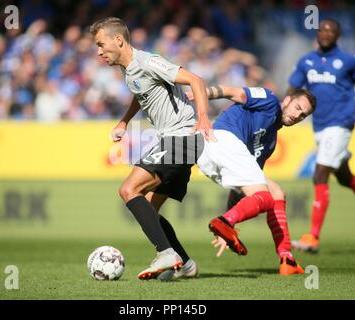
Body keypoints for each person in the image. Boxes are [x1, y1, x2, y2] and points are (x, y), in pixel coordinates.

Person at [90, 17, 215, 280]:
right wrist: (124, 121)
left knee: (128, 189)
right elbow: (141, 93)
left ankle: (166, 253)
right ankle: (186, 264)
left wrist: (203, 118)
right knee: (149, 207)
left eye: (101, 45)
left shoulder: (147, 61)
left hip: (181, 138)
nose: (99, 52)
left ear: (119, 40)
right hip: (177, 141)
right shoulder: (129, 70)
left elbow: (196, 80)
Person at [188, 85, 316, 275]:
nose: (298, 116)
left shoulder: (270, 142)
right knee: (269, 195)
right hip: (221, 138)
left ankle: (286, 259)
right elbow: (235, 93)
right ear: (287, 100)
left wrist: (227, 227)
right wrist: (203, 93)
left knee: (272, 194)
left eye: (303, 115)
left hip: (210, 157)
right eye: (297, 108)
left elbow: (241, 187)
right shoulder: (270, 100)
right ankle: (283, 255)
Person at [287, 19, 355, 253]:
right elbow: (293, 89)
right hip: (319, 127)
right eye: (322, 30)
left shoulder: (349, 60)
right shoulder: (306, 61)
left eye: (330, 31)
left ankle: (313, 237)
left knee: (320, 173)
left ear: (337, 35)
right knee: (344, 177)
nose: (325, 34)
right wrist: (283, 107)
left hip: (341, 125)